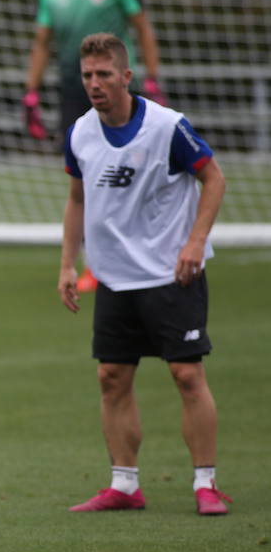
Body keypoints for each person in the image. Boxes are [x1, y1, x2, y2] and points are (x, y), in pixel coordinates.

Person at [57, 33, 230, 516]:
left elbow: (213, 177)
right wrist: (69, 264)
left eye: (104, 74)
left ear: (126, 76)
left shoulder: (167, 127)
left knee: (187, 375)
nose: (95, 84)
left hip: (170, 272)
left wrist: (195, 241)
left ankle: (206, 482)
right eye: (88, 75)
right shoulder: (80, 133)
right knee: (112, 377)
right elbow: (76, 199)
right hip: (113, 277)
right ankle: (125, 484)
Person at [24, 0, 165, 143]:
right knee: (77, 164)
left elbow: (143, 29)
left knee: (128, 157)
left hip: (117, 87)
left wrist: (152, 78)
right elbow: (42, 44)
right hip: (73, 87)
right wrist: (31, 93)